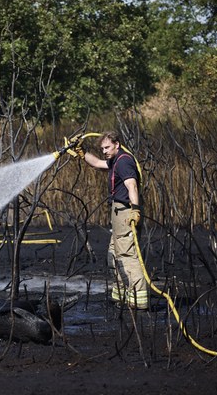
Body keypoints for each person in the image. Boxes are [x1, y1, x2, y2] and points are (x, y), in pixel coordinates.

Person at [75, 131, 149, 310]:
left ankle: (138, 298)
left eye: (107, 147)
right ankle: (122, 292)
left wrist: (135, 211)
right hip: (118, 212)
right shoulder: (115, 159)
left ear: (117, 144)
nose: (104, 151)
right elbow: (99, 164)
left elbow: (131, 185)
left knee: (126, 254)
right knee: (114, 253)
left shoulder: (124, 161)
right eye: (102, 148)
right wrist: (82, 152)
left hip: (125, 212)